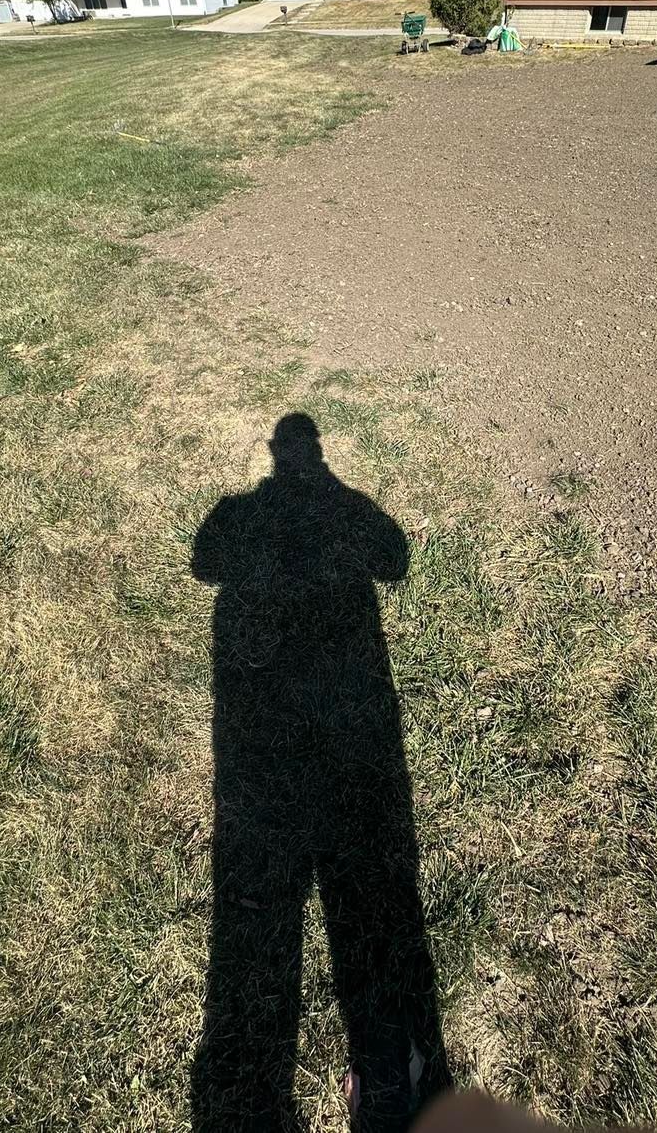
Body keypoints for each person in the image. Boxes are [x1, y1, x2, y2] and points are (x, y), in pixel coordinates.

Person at [191, 415, 449, 1133]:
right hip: (355, 728)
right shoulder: (346, 504)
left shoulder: (244, 512)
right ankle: (386, 1092)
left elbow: (205, 562)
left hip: (265, 741)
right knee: (371, 898)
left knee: (268, 933)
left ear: (276, 456)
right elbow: (393, 558)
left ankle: (285, 1097)